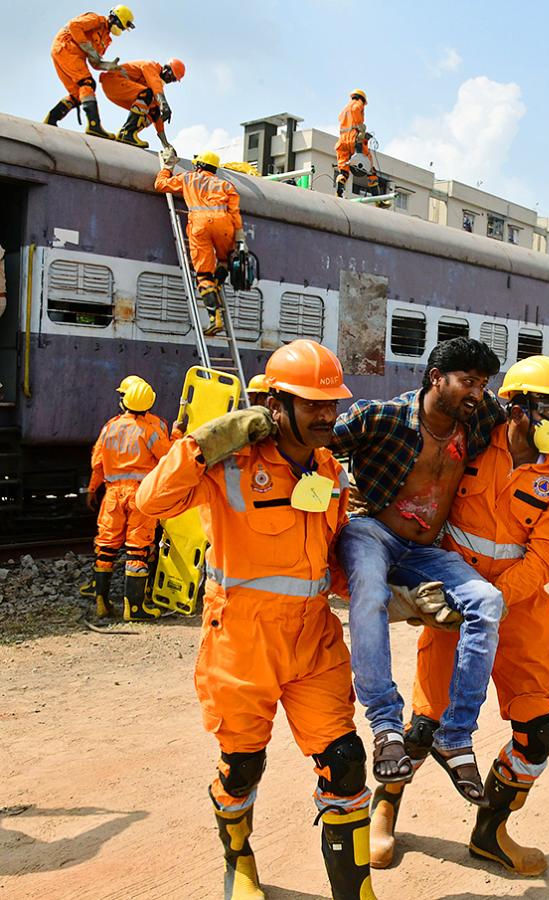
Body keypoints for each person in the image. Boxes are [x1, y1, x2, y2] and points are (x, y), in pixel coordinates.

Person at [135, 340, 378, 900]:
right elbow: (151, 503)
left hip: (314, 642)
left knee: (344, 762)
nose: (327, 415)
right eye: (312, 404)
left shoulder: (329, 473)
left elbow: (330, 558)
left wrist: (394, 592)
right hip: (241, 643)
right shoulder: (228, 465)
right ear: (274, 405)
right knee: (241, 766)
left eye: (331, 404)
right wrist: (201, 444)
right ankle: (239, 860)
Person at [370, 355, 549, 876]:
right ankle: (383, 814)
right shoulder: (465, 446)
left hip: (518, 611)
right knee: (424, 726)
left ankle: (491, 832)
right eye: (548, 407)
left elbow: (542, 560)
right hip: (451, 603)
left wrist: (487, 602)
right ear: (515, 407)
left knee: (537, 734)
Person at [331, 338, 508, 791]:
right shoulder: (382, 417)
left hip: (427, 551)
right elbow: (315, 439)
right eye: (468, 382)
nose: (478, 393)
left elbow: (525, 427)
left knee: (487, 602)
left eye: (484, 384)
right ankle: (386, 726)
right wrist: (334, 485)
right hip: (373, 533)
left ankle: (455, 734)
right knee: (369, 591)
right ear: (436, 379)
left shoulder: (480, 417)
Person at [87, 379, 172, 621]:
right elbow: (167, 459)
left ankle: (102, 602)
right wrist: (176, 435)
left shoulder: (110, 427)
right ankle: (135, 608)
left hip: (112, 495)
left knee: (106, 548)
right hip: (140, 495)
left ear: (124, 401)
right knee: (138, 549)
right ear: (149, 404)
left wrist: (92, 489)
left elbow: (98, 463)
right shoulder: (150, 430)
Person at [154, 150, 246, 335]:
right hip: (224, 224)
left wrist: (167, 168)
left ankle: (215, 317)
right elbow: (235, 213)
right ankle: (216, 285)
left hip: (200, 225)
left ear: (199, 166)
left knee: (203, 274)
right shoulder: (227, 185)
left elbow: (160, 185)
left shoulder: (189, 178)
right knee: (225, 261)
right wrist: (240, 239)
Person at [44, 6, 135, 139]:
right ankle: (94, 126)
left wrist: (109, 66)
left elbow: (95, 63)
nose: (120, 30)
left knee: (78, 94)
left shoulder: (106, 40)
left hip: (70, 54)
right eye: (121, 26)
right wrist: (89, 48)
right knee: (88, 83)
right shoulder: (96, 20)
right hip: (66, 47)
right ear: (116, 19)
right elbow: (74, 26)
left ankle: (51, 120)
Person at [100, 58, 184, 149]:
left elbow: (156, 114)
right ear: (166, 69)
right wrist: (164, 104)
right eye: (171, 76)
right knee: (147, 94)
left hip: (120, 89)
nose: (170, 80)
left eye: (174, 80)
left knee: (153, 110)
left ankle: (124, 134)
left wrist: (166, 144)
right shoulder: (150, 66)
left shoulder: (154, 85)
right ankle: (128, 133)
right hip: (113, 81)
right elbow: (155, 84)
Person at [335, 89, 380, 199]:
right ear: (362, 99)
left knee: (343, 169)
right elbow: (355, 111)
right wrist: (361, 129)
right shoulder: (358, 104)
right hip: (354, 139)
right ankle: (377, 198)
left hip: (342, 141)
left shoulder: (345, 109)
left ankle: (339, 190)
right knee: (369, 166)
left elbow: (341, 119)